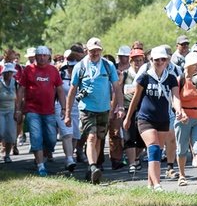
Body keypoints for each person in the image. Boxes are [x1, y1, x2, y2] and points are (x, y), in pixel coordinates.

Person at [123, 47, 187, 192]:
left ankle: (150, 184)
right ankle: (158, 184)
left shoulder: (170, 78)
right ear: (151, 60)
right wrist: (128, 118)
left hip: (163, 119)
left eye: (163, 59)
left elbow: (175, 98)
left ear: (167, 60)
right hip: (145, 118)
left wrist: (180, 111)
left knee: (157, 150)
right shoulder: (145, 77)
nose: (160, 62)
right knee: (153, 148)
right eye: (156, 60)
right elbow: (136, 98)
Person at [65, 38, 124, 184]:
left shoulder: (107, 65)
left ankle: (92, 168)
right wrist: (67, 114)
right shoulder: (80, 66)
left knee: (98, 139)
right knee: (91, 137)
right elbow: (72, 91)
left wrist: (120, 107)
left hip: (104, 109)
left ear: (101, 50)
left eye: (98, 50)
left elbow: (117, 87)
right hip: (86, 109)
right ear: (87, 51)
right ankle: (92, 166)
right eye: (92, 50)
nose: (95, 53)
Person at [16, 46, 67, 176]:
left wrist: (64, 108)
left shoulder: (53, 70)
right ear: (36, 56)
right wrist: (17, 109)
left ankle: (42, 157)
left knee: (51, 139)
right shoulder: (29, 69)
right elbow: (21, 89)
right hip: (32, 110)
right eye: (39, 55)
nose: (42, 58)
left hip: (49, 110)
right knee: (36, 136)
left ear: (49, 57)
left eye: (45, 55)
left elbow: (60, 90)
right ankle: (40, 166)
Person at [175, 52, 197, 186]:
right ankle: (182, 176)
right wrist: (179, 111)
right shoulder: (180, 80)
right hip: (184, 118)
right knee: (182, 148)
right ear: (187, 66)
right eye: (194, 65)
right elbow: (175, 98)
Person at [122, 48, 146, 174]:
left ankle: (136, 156)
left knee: (142, 139)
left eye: (140, 60)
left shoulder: (146, 74)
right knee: (129, 136)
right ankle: (131, 163)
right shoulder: (125, 74)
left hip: (142, 108)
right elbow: (120, 92)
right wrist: (119, 108)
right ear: (130, 61)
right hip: (127, 107)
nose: (138, 63)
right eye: (135, 60)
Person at [0, 64, 18, 163]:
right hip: (0, 110)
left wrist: (18, 111)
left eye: (11, 72)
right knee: (0, 132)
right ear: (4, 73)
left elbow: (18, 98)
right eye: (7, 72)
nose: (9, 74)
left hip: (11, 110)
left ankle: (7, 155)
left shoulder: (15, 83)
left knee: (11, 134)